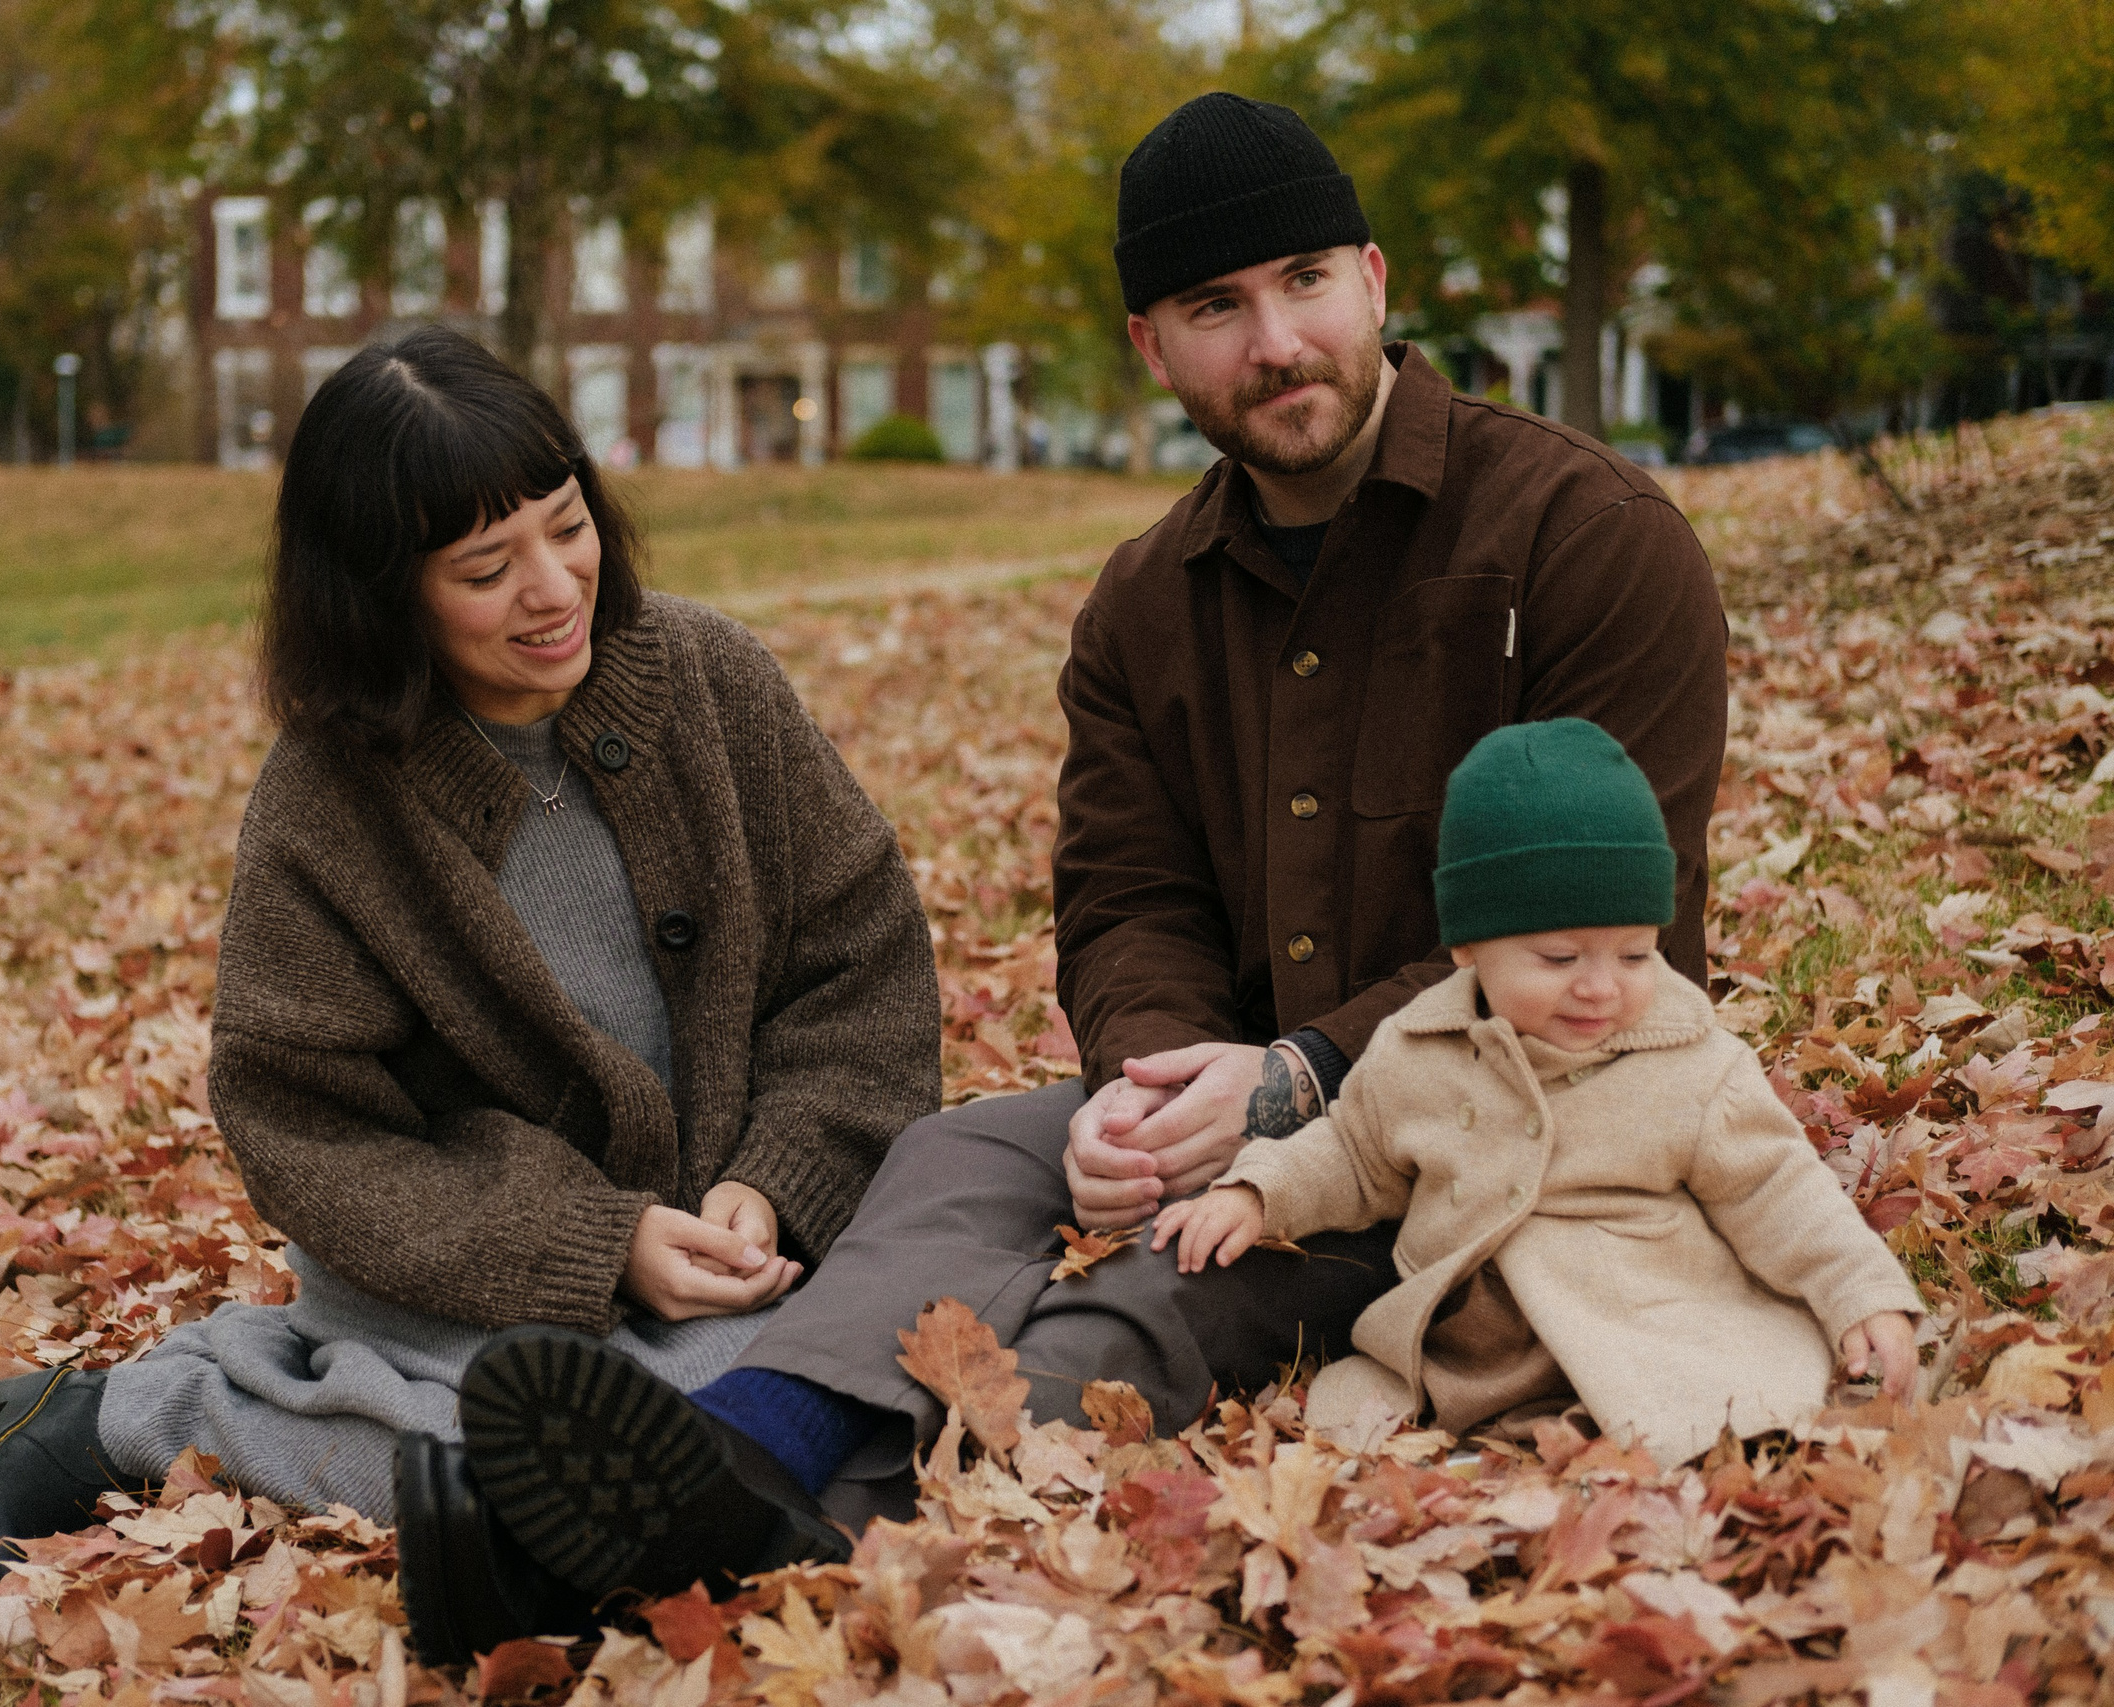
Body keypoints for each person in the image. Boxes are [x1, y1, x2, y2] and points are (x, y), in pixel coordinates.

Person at [388, 90, 1732, 1648]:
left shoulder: (1590, 537)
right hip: (1237, 1093)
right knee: (961, 1156)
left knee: (1169, 1285)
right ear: (1152, 349)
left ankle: (731, 1524)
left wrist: (1297, 1079)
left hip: (1518, 1115)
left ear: (1374, 278)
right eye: (1215, 307)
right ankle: (745, 1438)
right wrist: (1149, 1083)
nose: (1275, 339)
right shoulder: (1144, 603)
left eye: (1304, 281)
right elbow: (1124, 895)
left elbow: (1626, 939)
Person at [0, 327, 941, 1657]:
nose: (552, 586)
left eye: (568, 527)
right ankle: (140, 1414)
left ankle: (565, 1488)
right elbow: (307, 1126)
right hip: (467, 1283)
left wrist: (778, 1172)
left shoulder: (714, 678)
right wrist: (597, 1243)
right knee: (607, 1422)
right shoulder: (326, 802)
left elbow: (861, 959)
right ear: (381, 594)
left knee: (945, 1268)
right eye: (484, 568)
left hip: (748, 1246)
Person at [1152, 720, 1921, 1468]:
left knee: (1710, 1419)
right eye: (1557, 956)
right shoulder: (1418, 1049)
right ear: (1467, 946)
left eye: (1635, 952)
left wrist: (1858, 1292)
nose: (1599, 986)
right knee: (1375, 1439)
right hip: (1471, 1358)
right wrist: (1258, 1191)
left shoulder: (1689, 1062)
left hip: (1648, 1330)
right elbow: (1353, 1155)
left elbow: (1779, 1189)